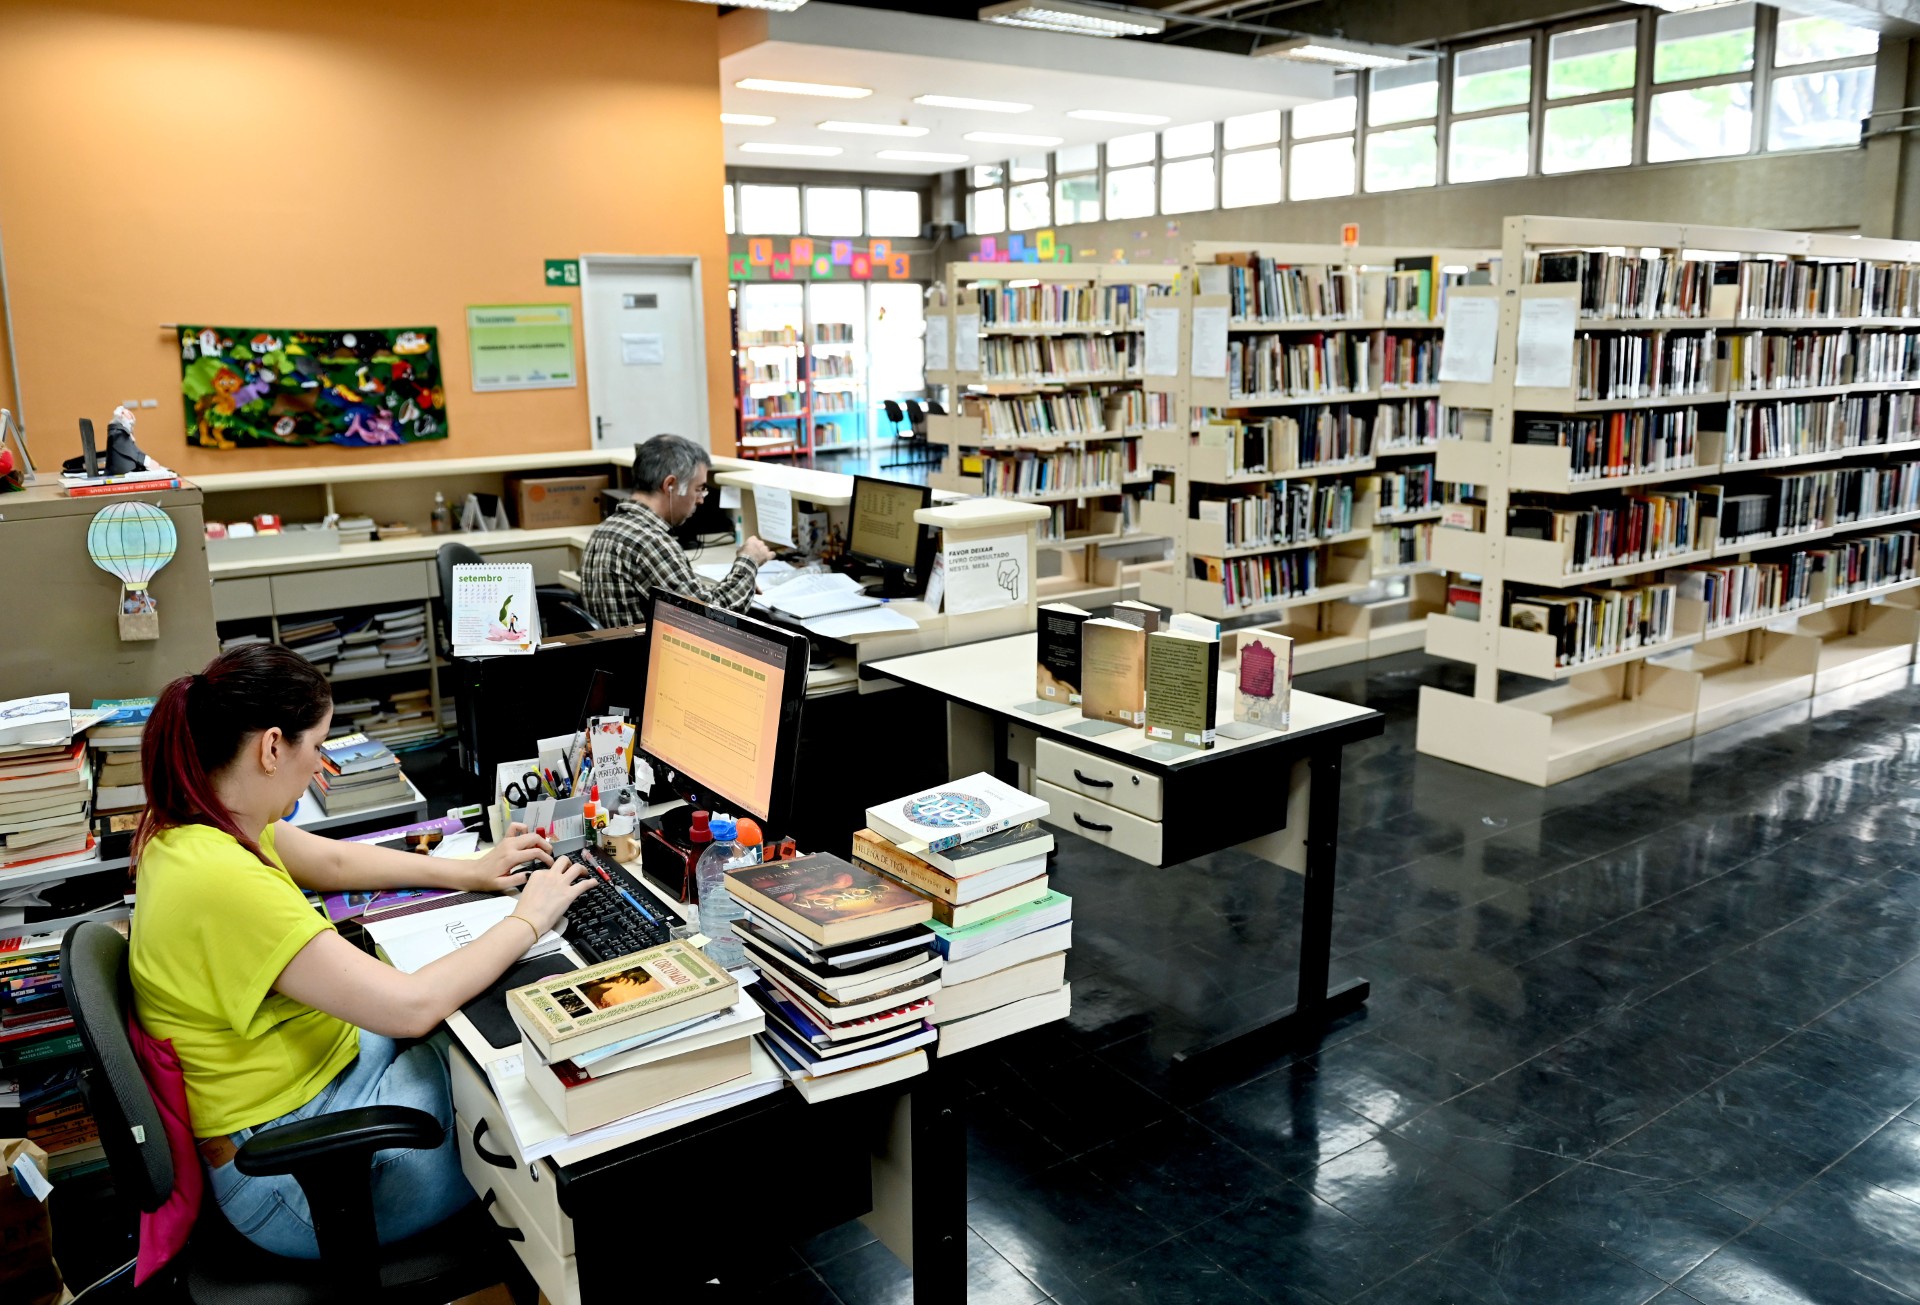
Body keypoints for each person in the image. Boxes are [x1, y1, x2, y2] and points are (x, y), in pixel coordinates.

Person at [128, 645, 597, 1260]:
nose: (320, 763)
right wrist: (529, 919)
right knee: (529, 1105)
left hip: (310, 1084)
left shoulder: (205, 819)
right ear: (272, 748)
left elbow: (334, 861)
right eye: (317, 745)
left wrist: (475, 873)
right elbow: (409, 1006)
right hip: (292, 1178)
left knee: (478, 1046)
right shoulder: (222, 880)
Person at [581, 433, 774, 625]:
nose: (701, 499)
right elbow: (713, 620)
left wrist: (737, 583)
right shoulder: (651, 543)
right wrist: (749, 562)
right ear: (670, 485)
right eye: (698, 488)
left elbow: (695, 599)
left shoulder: (605, 529)